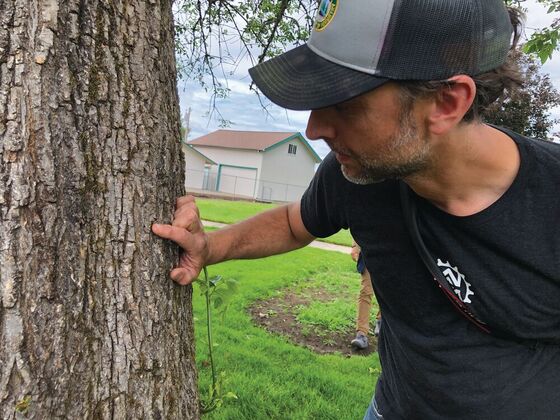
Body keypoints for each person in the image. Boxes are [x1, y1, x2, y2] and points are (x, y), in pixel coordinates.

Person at [152, 0, 560, 418]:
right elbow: (295, 223)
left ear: (446, 102)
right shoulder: (358, 171)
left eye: (345, 103)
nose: (314, 129)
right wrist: (209, 248)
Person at [350, 240, 381, 350]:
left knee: (388, 290)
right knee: (365, 291)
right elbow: (358, 228)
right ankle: (361, 334)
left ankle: (381, 321)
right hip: (369, 251)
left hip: (391, 254)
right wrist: (355, 246)